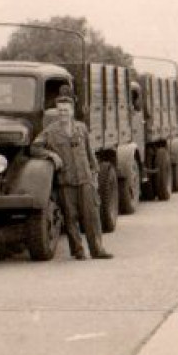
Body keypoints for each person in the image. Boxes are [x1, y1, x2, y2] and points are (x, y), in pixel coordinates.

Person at [32, 87, 112, 260]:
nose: (63, 114)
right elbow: (35, 147)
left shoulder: (81, 129)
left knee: (92, 217)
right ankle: (78, 251)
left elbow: (90, 153)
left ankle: (97, 250)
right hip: (66, 181)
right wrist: (51, 155)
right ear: (56, 112)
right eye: (60, 111)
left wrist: (95, 174)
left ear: (72, 111)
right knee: (70, 218)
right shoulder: (51, 132)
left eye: (66, 110)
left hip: (85, 179)